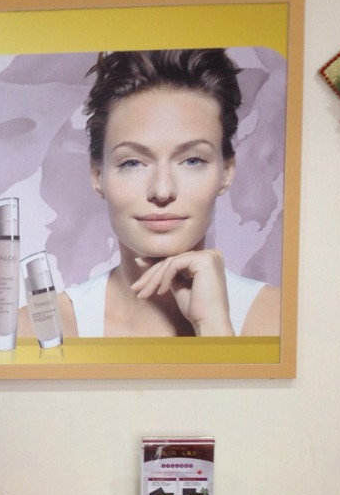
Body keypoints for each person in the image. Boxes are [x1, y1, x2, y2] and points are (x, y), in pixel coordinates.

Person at [31, 49, 280, 339]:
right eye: (133, 162)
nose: (162, 191)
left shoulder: (280, 321)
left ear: (226, 172)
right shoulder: (39, 331)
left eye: (192, 160)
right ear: (98, 175)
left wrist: (213, 328)